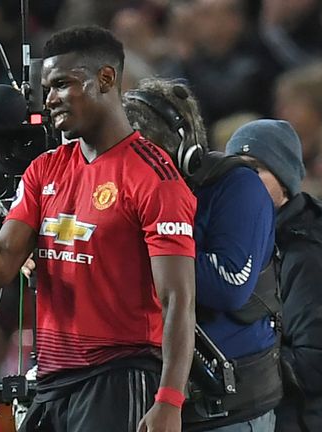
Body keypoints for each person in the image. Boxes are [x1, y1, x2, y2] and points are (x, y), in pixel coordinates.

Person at [0, 26, 197, 431]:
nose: (50, 99)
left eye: (61, 85)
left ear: (106, 79)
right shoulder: (46, 169)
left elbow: (179, 298)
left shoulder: (154, 177)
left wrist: (170, 401)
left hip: (120, 375)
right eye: (47, 88)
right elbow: (1, 267)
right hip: (52, 380)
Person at [123, 79, 281, 431]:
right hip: (145, 397)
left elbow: (229, 285)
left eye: (146, 153)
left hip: (228, 410)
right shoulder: (122, 194)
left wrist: (139, 245)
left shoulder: (238, 187)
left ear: (185, 152)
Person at [225, 119, 322, 432]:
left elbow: (318, 366)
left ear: (285, 181)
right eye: (236, 169)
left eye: (257, 169)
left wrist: (237, 363)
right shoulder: (241, 236)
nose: (244, 181)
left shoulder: (309, 250)